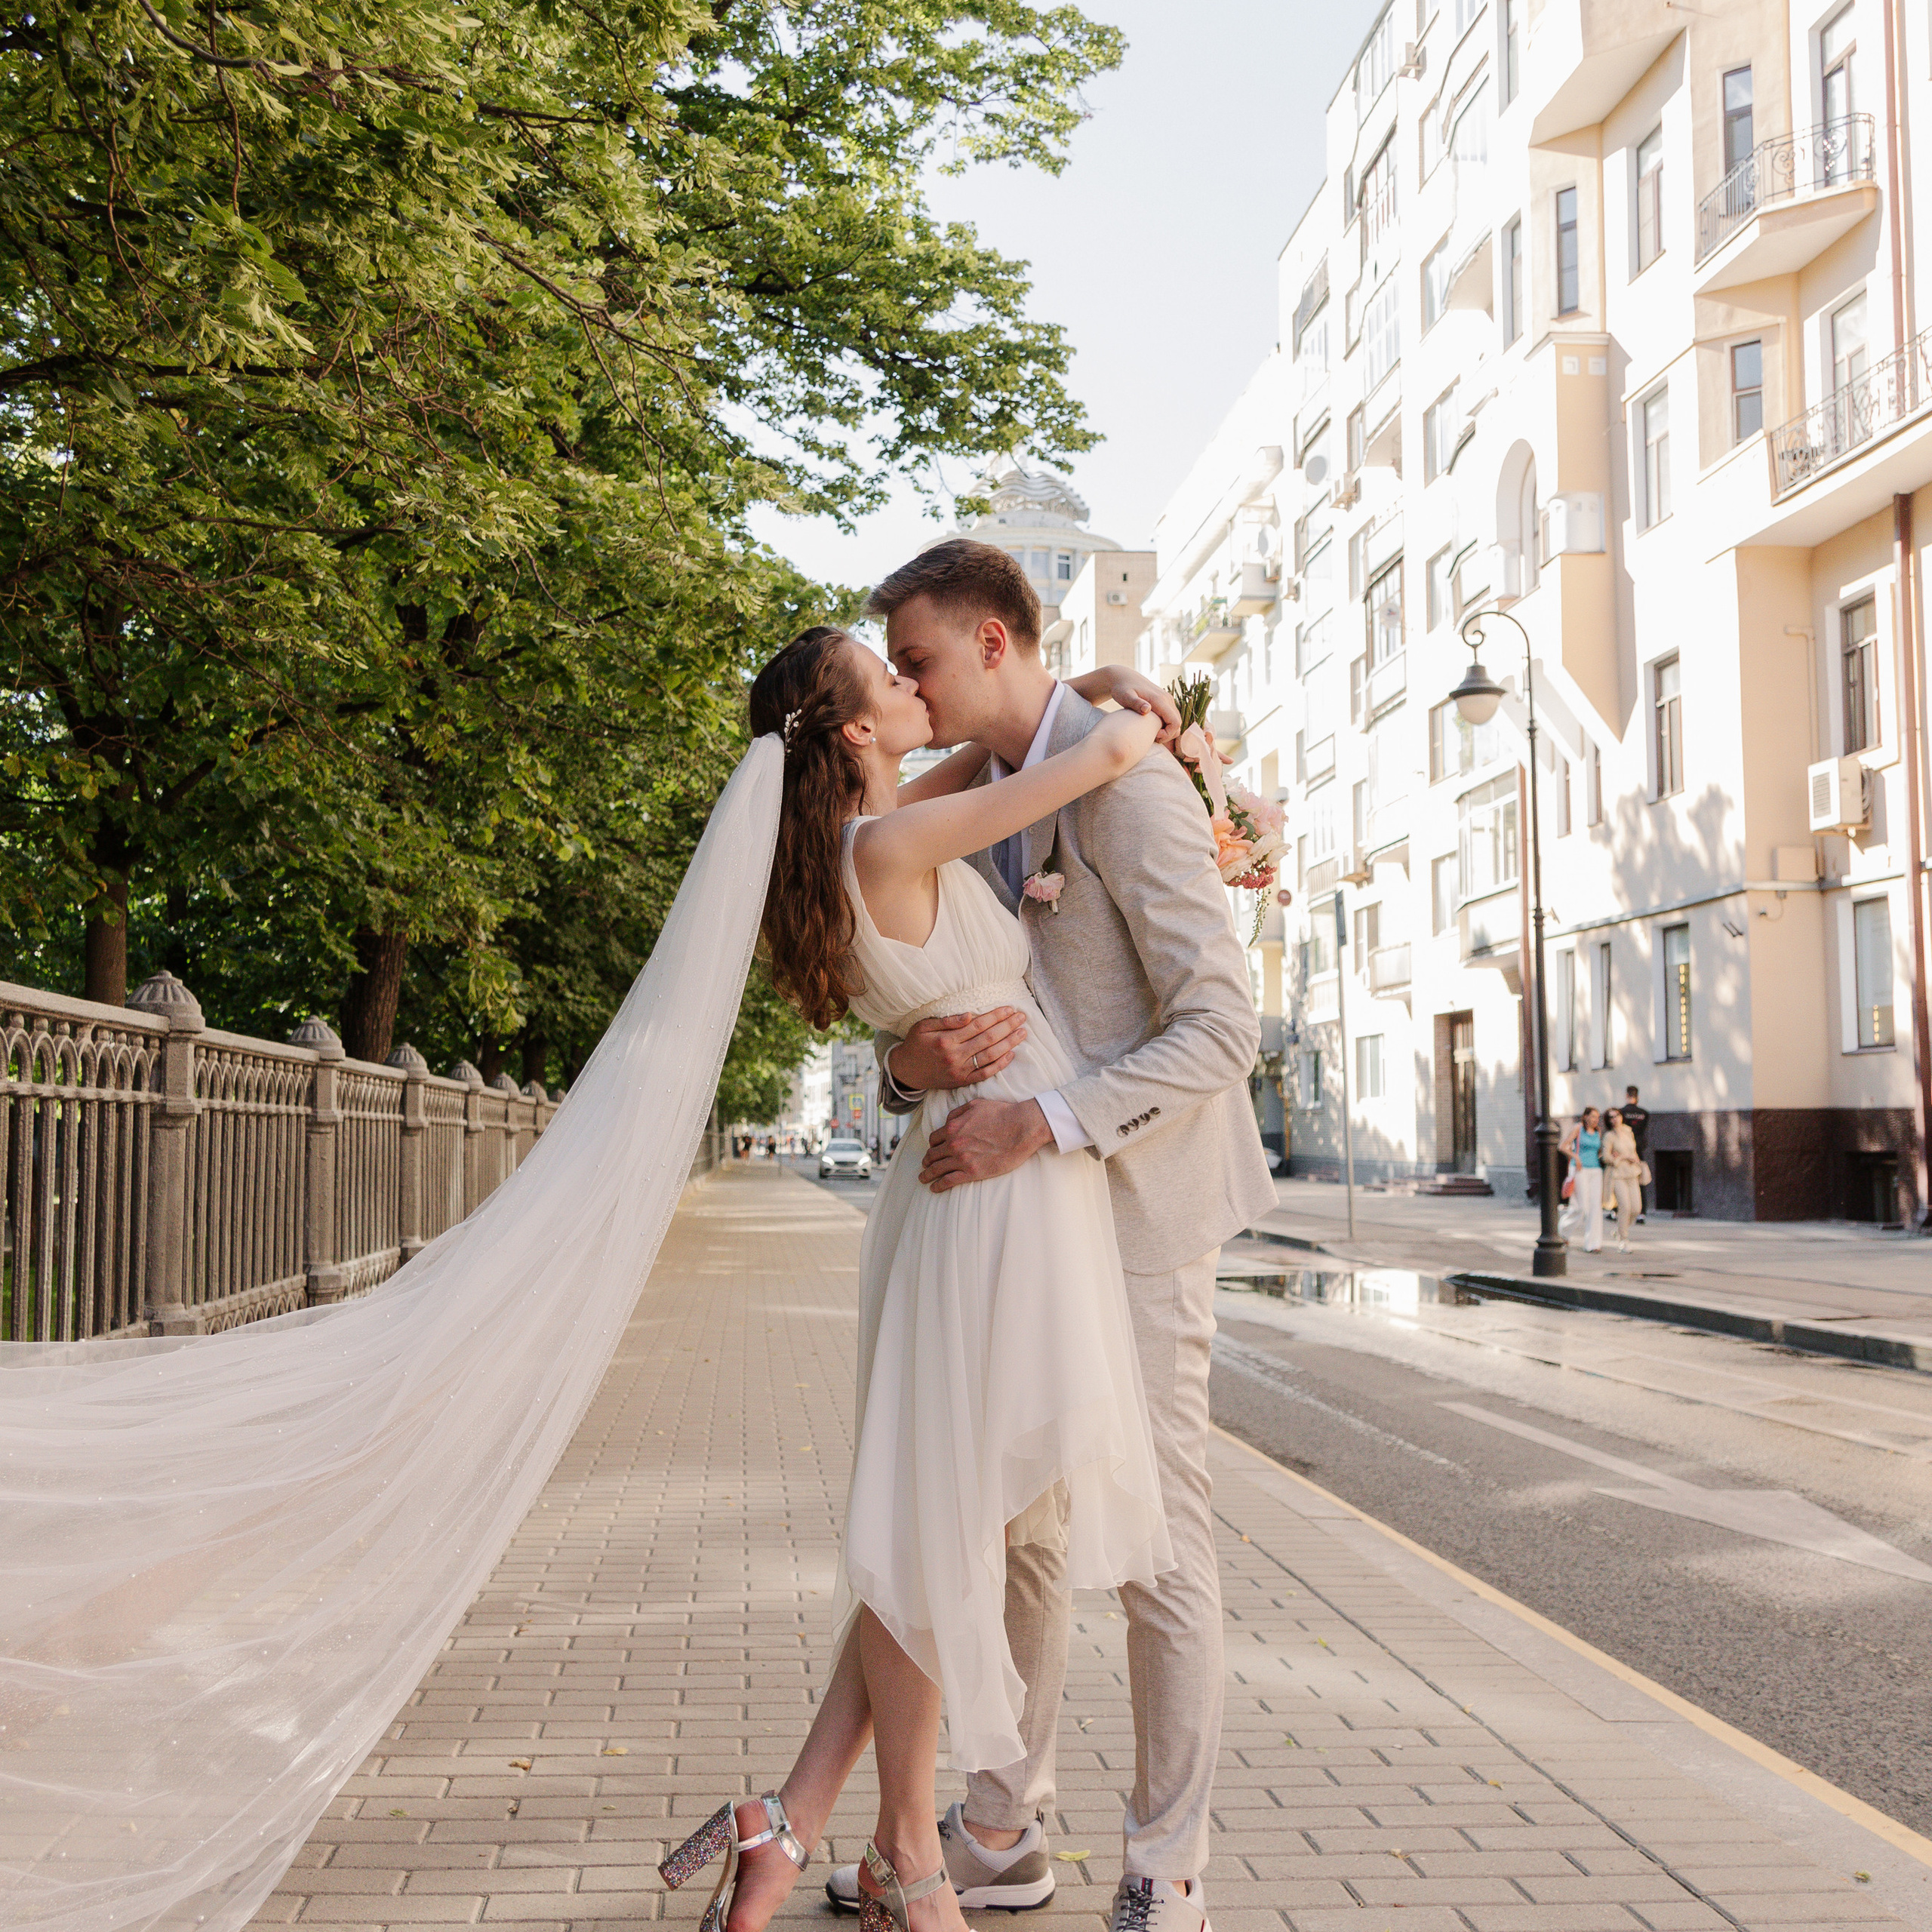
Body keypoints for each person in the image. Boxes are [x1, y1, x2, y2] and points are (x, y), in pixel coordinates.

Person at [660, 605, 1263, 1932]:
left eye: (909, 652)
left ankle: (802, 1822)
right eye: (888, 673)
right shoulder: (892, 832)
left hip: (1012, 1190)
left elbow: (1002, 765)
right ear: (859, 728)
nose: (908, 679)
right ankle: (914, 1857)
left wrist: (1096, 688)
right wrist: (1136, 729)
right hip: (995, 1199)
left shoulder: (867, 829)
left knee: (951, 1521)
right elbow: (1077, 769)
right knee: (952, 1528)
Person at [838, 540, 1275, 1932]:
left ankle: (1167, 1865)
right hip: (1024, 1223)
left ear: (988, 640)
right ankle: (999, 1828)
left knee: (1156, 1546)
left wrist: (1049, 1124)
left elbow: (1223, 1027)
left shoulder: (1130, 784)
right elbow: (917, 997)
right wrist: (911, 1079)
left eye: (914, 659)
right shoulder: (994, 783)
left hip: (1136, 1204)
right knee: (1020, 1527)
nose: (904, 685)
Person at [1558, 1106, 1604, 1253]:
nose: (1595, 1120)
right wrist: (1576, 1157)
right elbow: (1563, 1147)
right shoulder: (1578, 1128)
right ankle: (1563, 1231)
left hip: (1596, 1170)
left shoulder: (1598, 1131)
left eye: (1597, 1117)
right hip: (1580, 1170)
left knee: (1595, 1207)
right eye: (1593, 1117)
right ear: (1585, 1117)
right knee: (1581, 1207)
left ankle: (1593, 1244)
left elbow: (1598, 1151)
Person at [1601, 1108, 1642, 1254]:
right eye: (1611, 1117)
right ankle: (1623, 1240)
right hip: (1617, 1175)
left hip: (1632, 1173)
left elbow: (1633, 1150)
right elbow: (1606, 1157)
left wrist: (1635, 1157)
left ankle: (1620, 1230)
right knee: (1625, 1207)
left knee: (1636, 1208)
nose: (1615, 1119)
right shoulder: (1609, 1136)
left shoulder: (1628, 1131)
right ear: (1608, 1121)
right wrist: (1622, 1157)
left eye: (1617, 1115)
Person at [1621, 1085, 1651, 1222]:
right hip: (1639, 1149)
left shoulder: (1621, 1113)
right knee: (1640, 1181)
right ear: (1637, 1097)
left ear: (1627, 1095)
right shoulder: (1644, 1113)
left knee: (1621, 1179)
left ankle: (1618, 1211)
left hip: (1625, 1149)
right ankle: (1642, 1212)